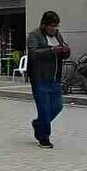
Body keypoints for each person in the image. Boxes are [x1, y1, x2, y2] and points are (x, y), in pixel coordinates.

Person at [27, 11, 70, 148]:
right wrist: (51, 50)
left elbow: (64, 55)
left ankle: (39, 124)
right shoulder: (34, 35)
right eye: (51, 26)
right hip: (40, 79)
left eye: (56, 26)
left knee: (57, 106)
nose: (54, 29)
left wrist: (66, 51)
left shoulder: (58, 35)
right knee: (44, 109)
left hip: (55, 79)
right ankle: (44, 138)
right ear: (43, 25)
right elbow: (33, 53)